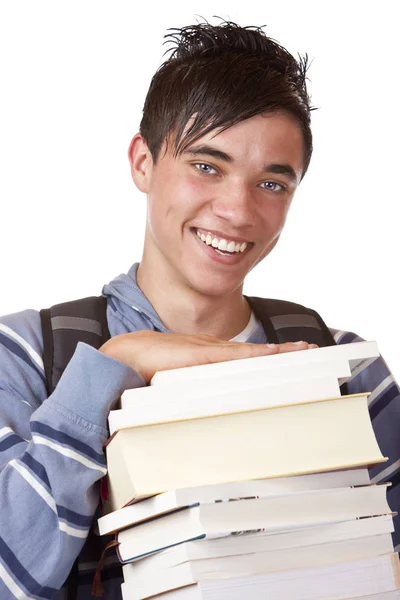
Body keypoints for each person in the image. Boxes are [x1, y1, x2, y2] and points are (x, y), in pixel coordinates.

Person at [0, 19, 398, 600]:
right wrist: (113, 364)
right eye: (207, 167)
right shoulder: (32, 355)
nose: (237, 211)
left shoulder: (339, 366)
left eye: (272, 184)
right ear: (142, 162)